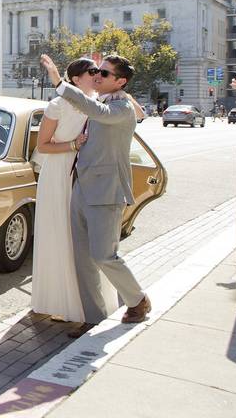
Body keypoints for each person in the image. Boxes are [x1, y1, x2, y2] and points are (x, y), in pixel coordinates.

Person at [41, 53, 152, 338]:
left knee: (104, 255)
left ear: (121, 82)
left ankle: (138, 300)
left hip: (107, 191)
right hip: (80, 186)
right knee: (82, 259)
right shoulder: (104, 100)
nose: (97, 77)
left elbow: (107, 113)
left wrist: (59, 82)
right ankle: (93, 318)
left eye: (104, 74)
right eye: (97, 72)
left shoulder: (121, 108)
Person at [31, 58, 119, 325]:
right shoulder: (57, 105)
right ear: (76, 78)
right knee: (60, 235)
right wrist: (72, 145)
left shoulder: (100, 105)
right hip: (59, 175)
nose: (97, 75)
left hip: (88, 178)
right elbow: (43, 146)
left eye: (99, 71)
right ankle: (60, 301)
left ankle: (93, 303)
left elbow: (136, 115)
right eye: (92, 71)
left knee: (85, 241)